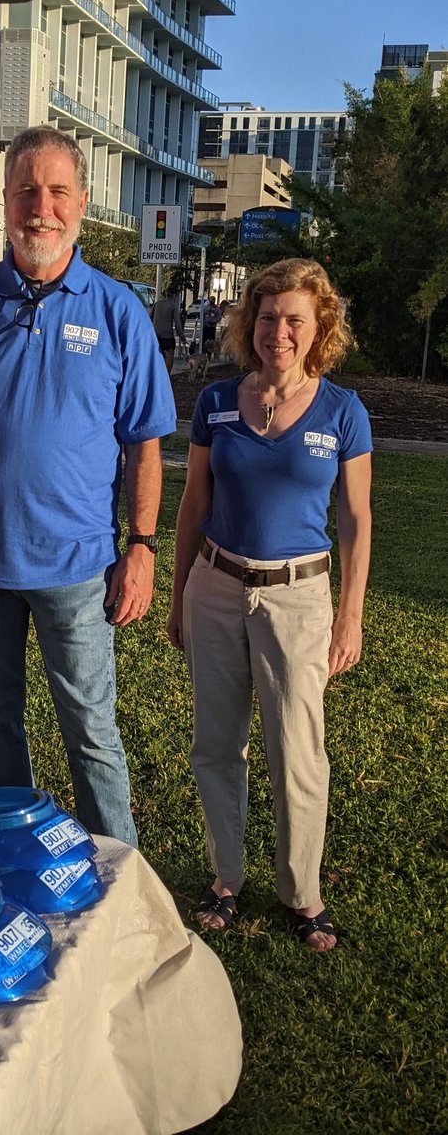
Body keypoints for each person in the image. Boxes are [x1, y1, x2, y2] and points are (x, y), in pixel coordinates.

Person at [0, 125, 176, 846]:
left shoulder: (117, 311)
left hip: (77, 566)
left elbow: (145, 444)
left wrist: (142, 546)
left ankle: (118, 878)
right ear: (6, 200)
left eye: (56, 192)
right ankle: (16, 858)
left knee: (91, 731)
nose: (40, 209)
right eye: (26, 191)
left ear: (81, 202)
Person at [166, 258, 372, 952]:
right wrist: (179, 596)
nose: (278, 332)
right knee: (216, 745)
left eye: (294, 320)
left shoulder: (342, 412)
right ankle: (226, 878)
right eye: (266, 317)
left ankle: (302, 891)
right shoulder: (217, 402)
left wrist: (350, 615)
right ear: (248, 322)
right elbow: (193, 504)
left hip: (299, 598)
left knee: (297, 752)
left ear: (320, 328)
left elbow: (356, 520)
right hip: (216, 587)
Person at [150, 284, 182, 374]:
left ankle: (154, 374)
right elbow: (178, 324)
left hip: (156, 334)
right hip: (167, 335)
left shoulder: (157, 304)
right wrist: (182, 337)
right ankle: (166, 376)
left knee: (156, 355)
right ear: (175, 295)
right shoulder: (173, 306)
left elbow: (150, 317)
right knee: (170, 355)